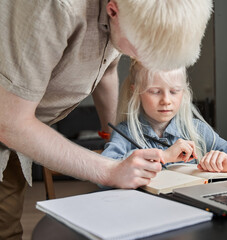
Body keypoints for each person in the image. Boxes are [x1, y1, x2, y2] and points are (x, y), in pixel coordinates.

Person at [0, 0, 213, 238]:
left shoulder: (126, 16)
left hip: (18, 136)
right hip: (11, 123)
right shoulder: (56, 7)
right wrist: (109, 170)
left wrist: (112, 138)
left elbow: (107, 71)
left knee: (8, 228)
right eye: (139, 53)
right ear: (113, 11)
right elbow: (11, 123)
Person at [101, 60, 227, 180]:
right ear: (135, 92)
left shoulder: (197, 130)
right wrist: (163, 156)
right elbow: (104, 173)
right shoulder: (124, 133)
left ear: (184, 91)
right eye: (155, 92)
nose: (166, 100)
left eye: (174, 91)